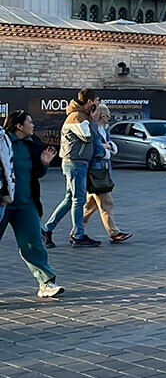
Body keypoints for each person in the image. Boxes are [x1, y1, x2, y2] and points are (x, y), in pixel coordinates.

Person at [2, 110, 65, 297]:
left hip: (26, 203)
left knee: (33, 243)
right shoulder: (3, 143)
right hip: (3, 202)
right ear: (19, 126)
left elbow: (36, 173)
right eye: (30, 122)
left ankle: (46, 283)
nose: (33, 125)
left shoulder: (33, 144)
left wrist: (44, 163)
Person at [42, 88, 101, 248]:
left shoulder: (81, 116)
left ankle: (47, 229)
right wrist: (94, 119)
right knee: (78, 199)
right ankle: (78, 235)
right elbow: (88, 136)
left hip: (77, 162)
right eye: (97, 102)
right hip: (75, 163)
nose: (98, 105)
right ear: (90, 102)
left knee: (70, 199)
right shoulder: (77, 117)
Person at [82, 104, 131, 243]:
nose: (109, 117)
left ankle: (77, 230)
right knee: (107, 202)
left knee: (89, 206)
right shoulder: (94, 129)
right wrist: (107, 149)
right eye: (107, 114)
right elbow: (96, 150)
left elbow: (109, 144)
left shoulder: (104, 130)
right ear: (102, 115)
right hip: (96, 171)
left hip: (103, 169)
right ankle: (113, 232)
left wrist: (108, 147)